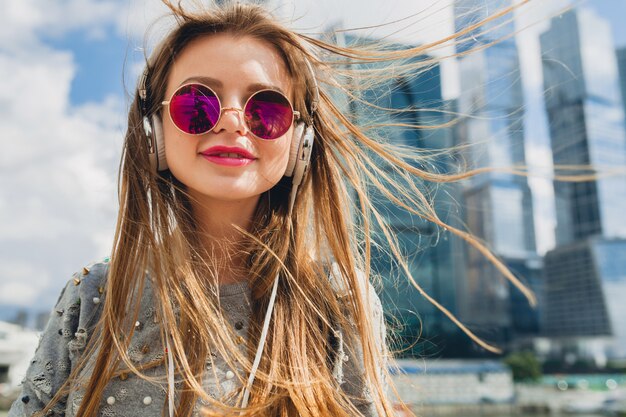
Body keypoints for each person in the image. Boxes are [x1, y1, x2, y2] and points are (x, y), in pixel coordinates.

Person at [8, 1, 531, 416]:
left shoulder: (338, 301)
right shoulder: (94, 297)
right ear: (155, 130)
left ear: (299, 143)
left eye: (267, 110)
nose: (234, 121)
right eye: (198, 103)